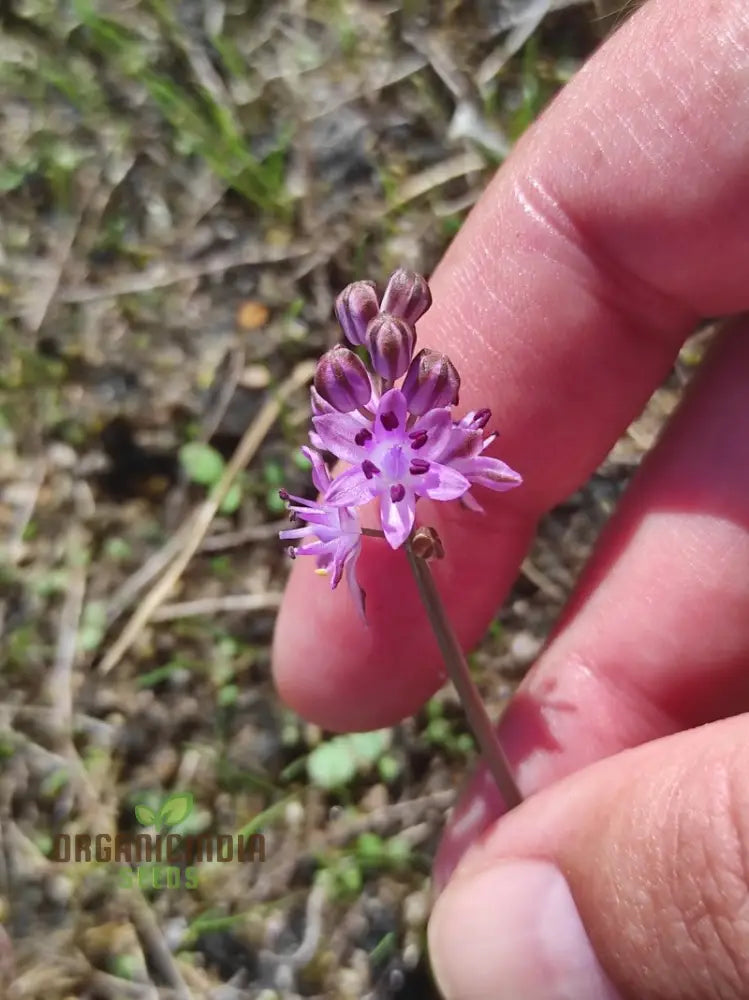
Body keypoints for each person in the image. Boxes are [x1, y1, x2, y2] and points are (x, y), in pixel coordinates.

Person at [273, 0, 749, 995]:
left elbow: (434, 448)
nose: (388, 455)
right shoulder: (366, 484)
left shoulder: (424, 454)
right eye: (369, 445)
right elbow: (364, 463)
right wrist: (360, 504)